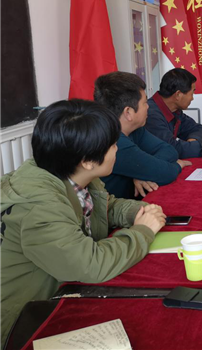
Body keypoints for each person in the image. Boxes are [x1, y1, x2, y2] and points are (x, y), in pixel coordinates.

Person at [0, 100, 166, 346]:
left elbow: (104, 206)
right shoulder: (39, 205)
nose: (117, 150)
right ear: (87, 161)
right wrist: (143, 232)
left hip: (58, 294)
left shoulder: (68, 170)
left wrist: (138, 211)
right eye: (113, 144)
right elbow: (90, 264)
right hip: (24, 323)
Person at [94, 71, 191, 199]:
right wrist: (177, 165)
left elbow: (169, 150)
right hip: (114, 210)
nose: (148, 107)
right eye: (145, 103)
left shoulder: (136, 129)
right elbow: (166, 173)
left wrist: (144, 172)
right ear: (128, 112)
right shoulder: (113, 141)